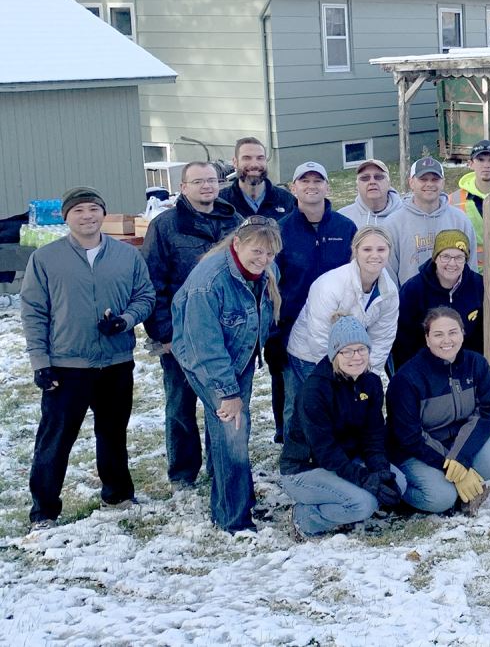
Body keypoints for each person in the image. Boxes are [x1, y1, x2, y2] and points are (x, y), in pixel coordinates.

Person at [22, 186, 155, 528]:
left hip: (115, 363)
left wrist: (124, 321)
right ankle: (44, 510)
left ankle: (118, 494)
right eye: (78, 211)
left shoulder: (126, 256)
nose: (87, 216)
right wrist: (40, 362)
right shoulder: (46, 259)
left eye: (93, 209)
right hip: (67, 366)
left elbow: (146, 296)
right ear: (66, 217)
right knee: (56, 439)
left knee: (112, 433)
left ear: (103, 214)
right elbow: (34, 312)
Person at [171, 216, 282, 533]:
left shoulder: (265, 270)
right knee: (232, 429)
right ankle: (233, 517)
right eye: (257, 252)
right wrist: (227, 394)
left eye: (270, 254)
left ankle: (233, 496)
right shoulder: (209, 282)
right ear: (237, 244)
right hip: (209, 363)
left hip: (239, 355)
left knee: (226, 430)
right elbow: (204, 347)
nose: (263, 260)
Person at [142, 161, 239, 487]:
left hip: (224, 333)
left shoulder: (234, 222)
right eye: (198, 181)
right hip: (181, 336)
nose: (206, 186)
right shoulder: (166, 226)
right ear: (183, 187)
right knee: (181, 407)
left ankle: (220, 466)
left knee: (223, 402)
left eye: (211, 181)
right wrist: (163, 332)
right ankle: (183, 472)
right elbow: (152, 280)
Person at [279, 316, 403, 538]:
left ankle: (343, 504)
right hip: (307, 468)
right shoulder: (315, 390)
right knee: (363, 504)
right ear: (334, 354)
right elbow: (323, 450)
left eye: (362, 350)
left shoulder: (371, 383)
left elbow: (373, 434)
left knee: (398, 482)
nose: (356, 357)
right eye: (347, 351)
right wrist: (363, 478)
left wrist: (380, 470)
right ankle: (306, 517)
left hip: (346, 460)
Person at [387, 307, 490, 513]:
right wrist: (450, 465)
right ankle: (399, 491)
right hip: (415, 450)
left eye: (452, 332)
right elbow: (409, 436)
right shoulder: (408, 379)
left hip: (456, 442)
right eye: (438, 334)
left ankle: (450, 477)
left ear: (462, 333)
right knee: (441, 498)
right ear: (426, 338)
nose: (447, 340)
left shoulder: (476, 364)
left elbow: (486, 412)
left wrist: (460, 458)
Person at [273, 161, 358, 441]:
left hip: (338, 329)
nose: (311, 186)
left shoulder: (345, 228)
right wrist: (275, 331)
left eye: (317, 180)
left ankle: (334, 449)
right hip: (293, 330)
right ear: (293, 188)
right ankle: (295, 453)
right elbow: (271, 283)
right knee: (297, 399)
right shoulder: (280, 231)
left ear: (327, 186)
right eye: (304, 181)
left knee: (337, 394)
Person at [286, 226, 400, 427]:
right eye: (367, 250)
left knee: (343, 408)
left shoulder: (388, 290)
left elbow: (383, 336)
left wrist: (368, 372)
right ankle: (297, 456)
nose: (375, 255)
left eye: (381, 250)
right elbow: (319, 337)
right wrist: (340, 375)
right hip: (309, 354)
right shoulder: (331, 285)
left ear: (389, 252)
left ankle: (342, 454)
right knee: (310, 409)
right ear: (355, 251)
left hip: (349, 354)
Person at [395, 230, 484, 372]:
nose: (452, 263)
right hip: (425, 369)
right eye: (446, 256)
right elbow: (403, 339)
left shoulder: (479, 285)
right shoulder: (413, 289)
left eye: (459, 257)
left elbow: (482, 334)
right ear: (435, 258)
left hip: (467, 367)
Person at [384, 156, 477, 284]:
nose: (429, 184)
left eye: (435, 179)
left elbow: (471, 267)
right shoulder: (393, 224)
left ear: (442, 182)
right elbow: (388, 274)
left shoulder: (460, 220)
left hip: (452, 301)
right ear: (411, 182)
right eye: (423, 179)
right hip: (411, 301)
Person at [449, 139, 490, 268]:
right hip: (468, 275)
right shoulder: (453, 200)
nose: (486, 165)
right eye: (480, 160)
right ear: (470, 164)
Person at [217, 136, 295, 220]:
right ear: (235, 162)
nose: (254, 164)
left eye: (260, 158)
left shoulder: (287, 201)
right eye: (247, 158)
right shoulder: (220, 202)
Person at [339, 158, 404, 228]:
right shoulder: (342, 218)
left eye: (378, 177)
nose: (372, 182)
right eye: (365, 178)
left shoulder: (405, 215)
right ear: (357, 186)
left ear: (389, 183)